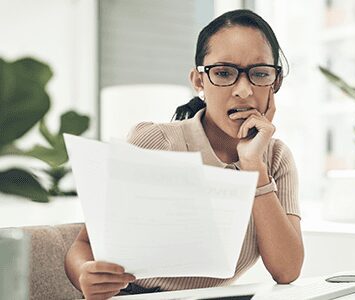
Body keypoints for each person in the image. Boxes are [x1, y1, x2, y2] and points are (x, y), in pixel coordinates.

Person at [65, 9, 304, 300]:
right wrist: (85, 274)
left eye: (260, 74)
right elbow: (83, 246)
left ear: (275, 83)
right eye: (224, 73)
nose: (243, 90)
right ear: (199, 80)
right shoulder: (155, 141)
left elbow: (287, 270)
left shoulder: (275, 158)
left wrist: (253, 166)